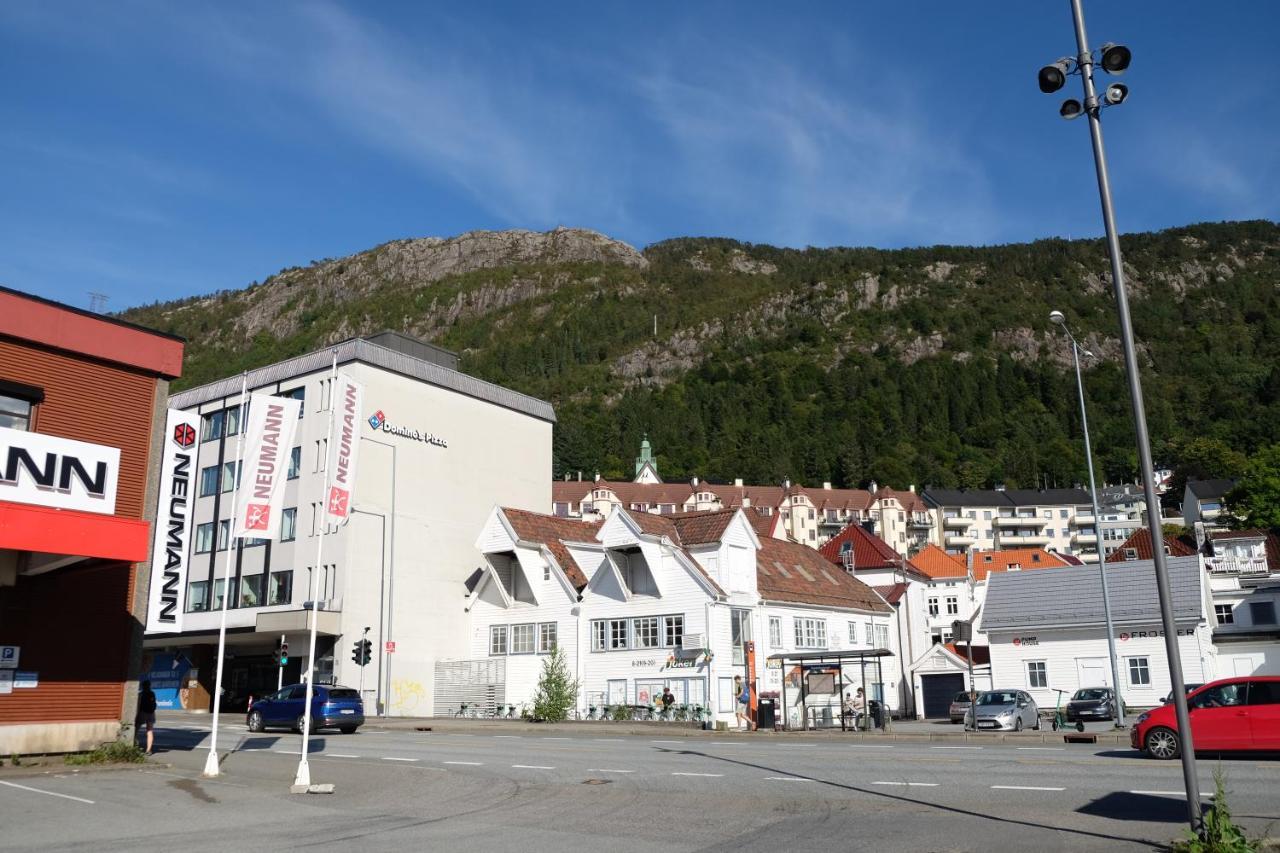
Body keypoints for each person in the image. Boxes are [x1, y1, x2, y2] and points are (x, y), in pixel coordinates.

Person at [136, 680, 157, 755]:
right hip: (151, 713)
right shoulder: (152, 693)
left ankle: (132, 745)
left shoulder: (141, 694)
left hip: (142, 713)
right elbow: (154, 704)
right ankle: (148, 750)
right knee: (150, 731)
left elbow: (138, 706)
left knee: (136, 729)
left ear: (142, 686)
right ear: (149, 686)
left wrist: (137, 714)